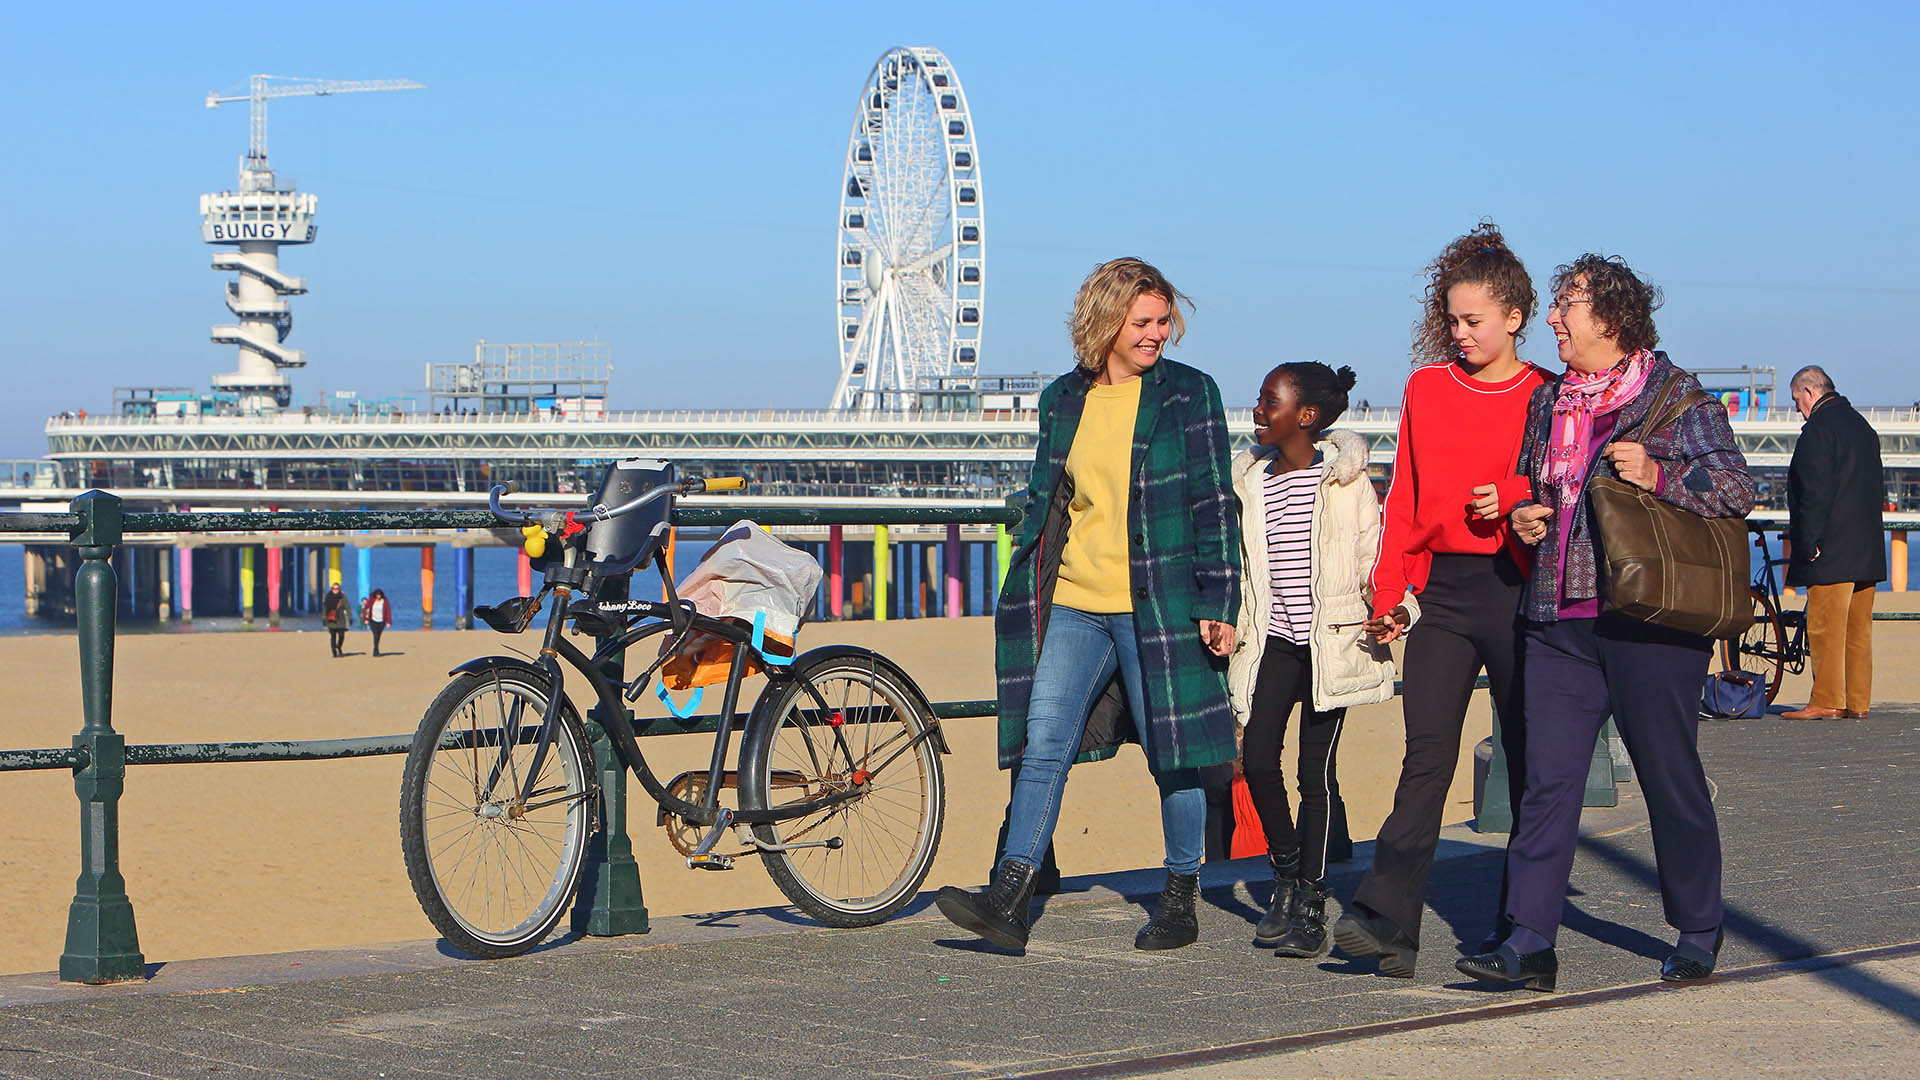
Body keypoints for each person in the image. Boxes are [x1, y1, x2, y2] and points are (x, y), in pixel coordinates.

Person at [1458, 254, 1755, 991]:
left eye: (1567, 306)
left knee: (1667, 774)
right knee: (1546, 783)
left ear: (1612, 319)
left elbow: (1737, 486)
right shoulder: (1551, 401)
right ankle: (1529, 942)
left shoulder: (1674, 399)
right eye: (1557, 306)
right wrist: (1528, 513)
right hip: (1557, 615)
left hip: (1648, 621)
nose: (1554, 319)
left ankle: (1697, 926)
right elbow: (1540, 483)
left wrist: (1660, 476)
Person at [935, 256, 1241, 953]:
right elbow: (1054, 501)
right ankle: (1009, 897)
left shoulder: (1190, 396)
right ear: (1104, 321)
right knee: (1043, 745)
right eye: (1142, 322)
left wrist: (1219, 598)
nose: (1156, 334)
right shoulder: (1062, 400)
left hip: (1157, 604)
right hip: (1075, 600)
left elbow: (1214, 503)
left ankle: (1180, 898)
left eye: (1163, 320)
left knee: (1174, 752)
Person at [1332, 224, 1546, 979]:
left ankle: (1520, 936)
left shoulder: (1546, 394)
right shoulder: (1426, 388)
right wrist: (1390, 592)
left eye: (1473, 321)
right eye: (1451, 320)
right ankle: (1388, 921)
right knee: (1425, 757)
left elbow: (1566, 486)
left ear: (1515, 316)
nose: (1458, 334)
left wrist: (1517, 494)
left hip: (1524, 594)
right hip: (1446, 599)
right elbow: (1408, 499)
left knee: (1527, 766)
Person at [1228, 362, 1395, 957]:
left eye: (1269, 402)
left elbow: (1378, 559)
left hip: (1335, 643)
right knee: (1258, 759)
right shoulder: (1251, 483)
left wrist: (1398, 611)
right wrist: (1230, 624)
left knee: (1314, 775)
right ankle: (1286, 873)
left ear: (1306, 416)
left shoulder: (1347, 483)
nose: (1256, 410)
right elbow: (1245, 572)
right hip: (1274, 642)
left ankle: (1312, 899)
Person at [1781, 365, 1886, 720]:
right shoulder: (1863, 427)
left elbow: (1814, 493)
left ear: (1809, 392)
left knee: (1825, 627)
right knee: (1859, 630)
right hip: (1866, 548)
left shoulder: (1818, 431)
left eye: (1797, 400)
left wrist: (1808, 541)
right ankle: (1857, 702)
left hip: (1831, 549)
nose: (1798, 409)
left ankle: (1826, 699)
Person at [322, 582, 351, 657]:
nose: (335, 590)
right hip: (331, 620)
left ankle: (339, 646)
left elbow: (347, 607)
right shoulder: (328, 597)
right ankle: (334, 652)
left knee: (341, 635)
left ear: (339, 589)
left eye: (337, 589)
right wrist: (324, 619)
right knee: (333, 636)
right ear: (331, 589)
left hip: (341, 619)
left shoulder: (342, 597)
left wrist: (350, 618)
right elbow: (324, 609)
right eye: (334, 589)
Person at [363, 587, 392, 656]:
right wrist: (365, 619)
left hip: (381, 621)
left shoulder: (385, 601)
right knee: (375, 635)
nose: (378, 596)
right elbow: (365, 610)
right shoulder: (371, 600)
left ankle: (376, 649)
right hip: (372, 620)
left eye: (379, 595)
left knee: (378, 636)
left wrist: (388, 622)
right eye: (377, 595)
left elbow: (388, 611)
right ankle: (375, 651)